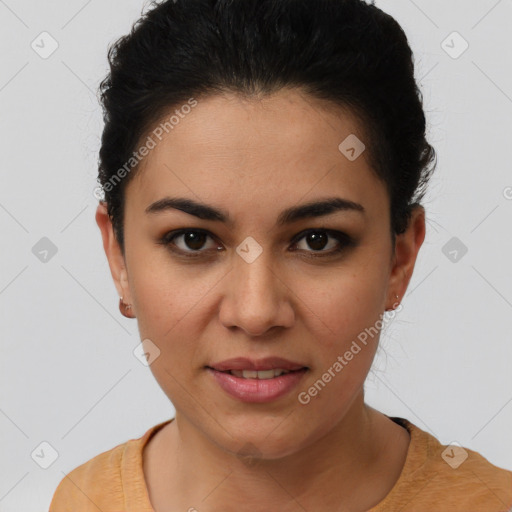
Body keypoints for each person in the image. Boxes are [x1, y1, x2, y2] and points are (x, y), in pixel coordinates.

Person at [49, 0, 512, 510]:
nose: (255, 312)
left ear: (400, 258)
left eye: (318, 240)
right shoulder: (80, 500)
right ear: (118, 257)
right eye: (194, 240)